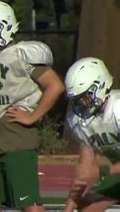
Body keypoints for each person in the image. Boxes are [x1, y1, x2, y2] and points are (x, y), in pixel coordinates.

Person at [0, 1, 65, 212]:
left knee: (29, 204)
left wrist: (33, 116)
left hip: (16, 140)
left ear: (5, 27)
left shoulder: (21, 54)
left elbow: (55, 86)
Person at [63, 57, 120, 212]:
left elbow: (96, 172)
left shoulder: (117, 109)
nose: (80, 104)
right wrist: (69, 207)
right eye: (76, 100)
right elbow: (85, 169)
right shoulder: (81, 120)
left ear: (99, 86)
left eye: (84, 97)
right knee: (87, 205)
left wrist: (102, 172)